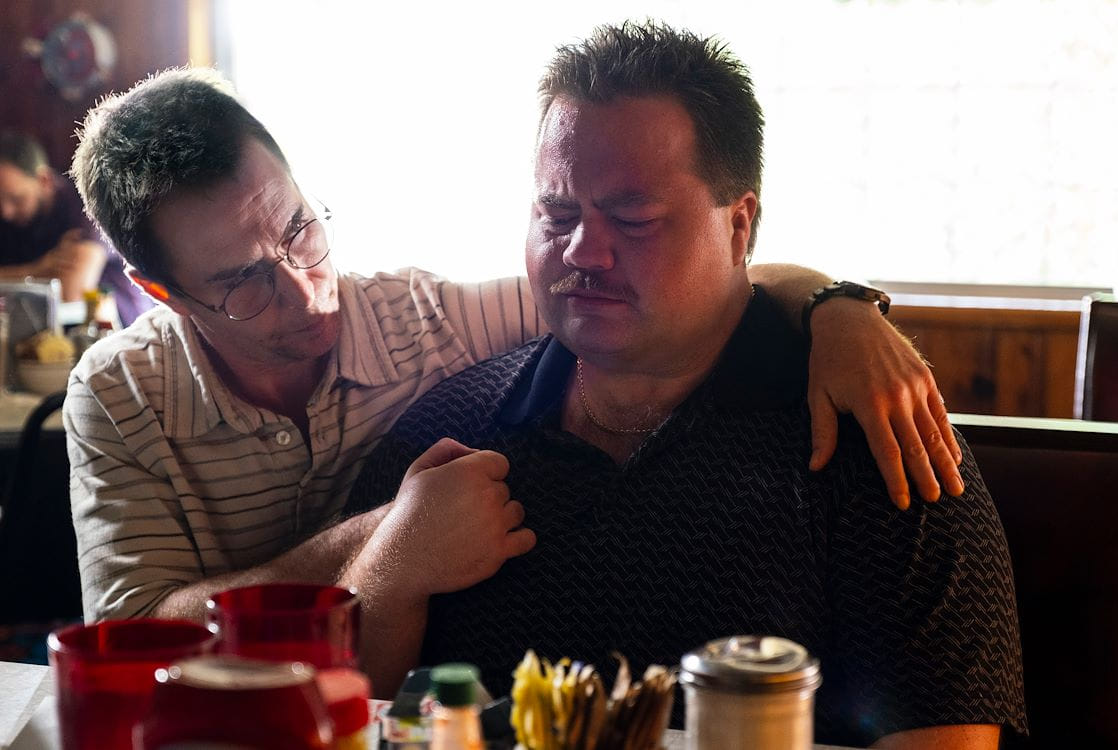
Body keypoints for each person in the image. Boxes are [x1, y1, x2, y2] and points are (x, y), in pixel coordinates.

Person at [65, 68, 960, 629]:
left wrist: (837, 308)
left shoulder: (430, 321)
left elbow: (660, 290)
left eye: (301, 229)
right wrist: (388, 535)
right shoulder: (122, 395)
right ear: (161, 292)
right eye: (242, 282)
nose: (303, 290)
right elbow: (131, 634)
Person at [344, 22, 1026, 748]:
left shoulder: (874, 445)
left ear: (739, 226)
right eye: (558, 213)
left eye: (633, 218)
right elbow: (344, 713)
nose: (584, 251)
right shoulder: (451, 431)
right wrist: (391, 572)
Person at [0, 130, 152, 325]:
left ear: (44, 180)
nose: (6, 212)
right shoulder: (9, 217)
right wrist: (39, 268)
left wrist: (13, 275)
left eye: (17, 199)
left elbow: (70, 293)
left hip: (119, 328)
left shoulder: (86, 205)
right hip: (41, 330)